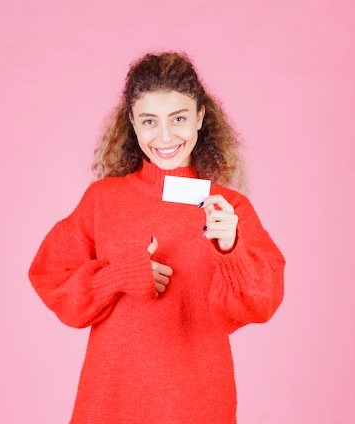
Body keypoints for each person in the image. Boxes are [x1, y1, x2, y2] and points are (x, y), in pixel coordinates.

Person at [28, 51, 285, 423]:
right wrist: (120, 276)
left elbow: (262, 303)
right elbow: (50, 277)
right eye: (150, 120)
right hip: (111, 403)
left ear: (200, 117)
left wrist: (231, 248)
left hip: (198, 405)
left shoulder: (227, 208)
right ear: (132, 122)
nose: (165, 137)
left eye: (178, 118)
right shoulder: (103, 199)